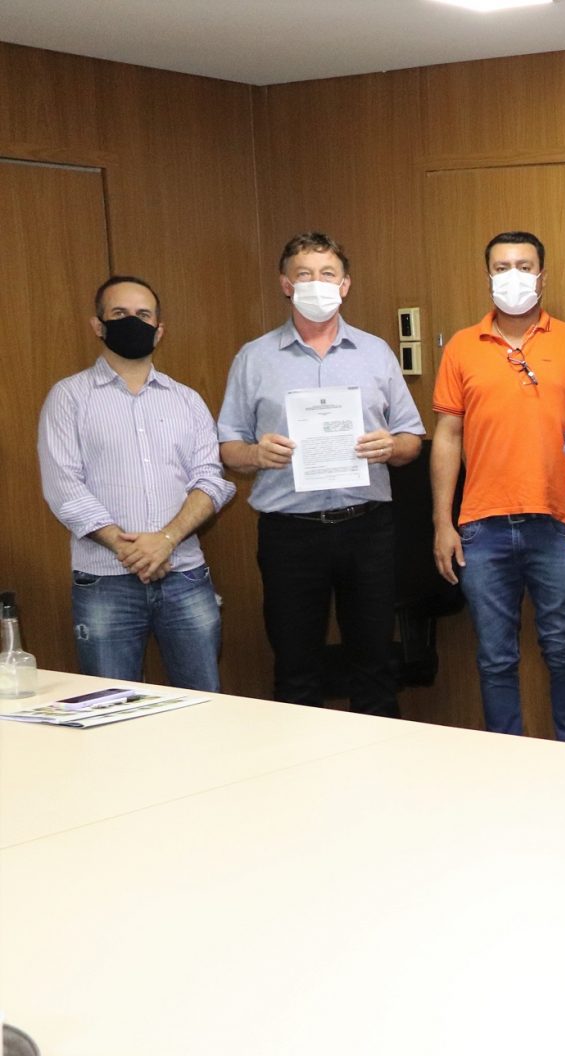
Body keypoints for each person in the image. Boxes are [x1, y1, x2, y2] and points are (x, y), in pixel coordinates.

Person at [218, 232, 426, 716]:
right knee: (296, 668)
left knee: (375, 665)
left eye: (327, 274)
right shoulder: (255, 357)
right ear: (286, 284)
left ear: (345, 285)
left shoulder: (375, 352)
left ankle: (378, 759)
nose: (317, 283)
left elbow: (412, 440)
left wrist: (391, 446)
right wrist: (256, 454)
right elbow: (227, 448)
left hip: (366, 528)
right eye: (305, 274)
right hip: (290, 534)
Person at [430, 231, 565, 742]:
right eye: (502, 267)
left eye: (524, 267)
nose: (513, 276)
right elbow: (447, 437)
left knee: (563, 649)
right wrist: (442, 523)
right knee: (495, 657)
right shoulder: (462, 346)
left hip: (560, 526)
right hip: (480, 528)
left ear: (542, 276)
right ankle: (504, 762)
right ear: (488, 276)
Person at [36, 276, 233, 690]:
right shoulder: (68, 397)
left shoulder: (187, 400)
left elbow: (210, 480)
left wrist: (165, 540)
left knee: (204, 705)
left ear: (159, 329)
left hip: (185, 577)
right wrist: (130, 549)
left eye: (143, 315)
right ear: (98, 325)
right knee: (109, 706)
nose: (133, 322)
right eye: (119, 313)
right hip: (104, 581)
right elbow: (63, 487)